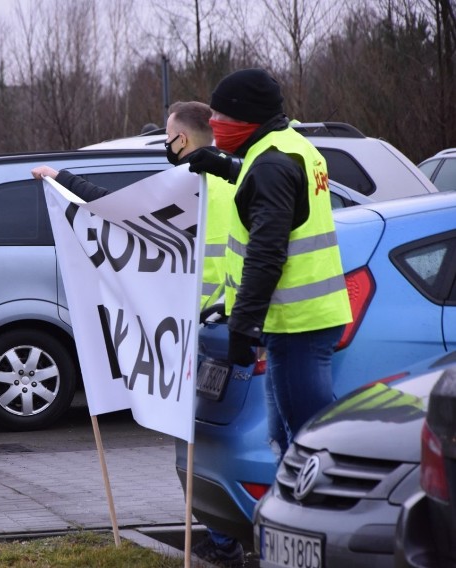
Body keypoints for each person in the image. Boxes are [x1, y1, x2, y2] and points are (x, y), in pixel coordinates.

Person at [187, 68, 353, 566]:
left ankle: (324, 543)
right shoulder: (286, 147)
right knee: (288, 439)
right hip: (303, 320)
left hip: (297, 324)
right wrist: (221, 164)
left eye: (220, 113)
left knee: (309, 444)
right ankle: (292, 541)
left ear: (247, 116)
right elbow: (268, 188)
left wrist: (243, 325)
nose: (213, 120)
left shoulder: (273, 162)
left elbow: (266, 251)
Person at [31, 100, 236, 310]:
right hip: (238, 308)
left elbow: (114, 205)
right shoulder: (236, 177)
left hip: (198, 312)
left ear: (182, 140)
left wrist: (60, 178)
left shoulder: (183, 185)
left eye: (168, 136)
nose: (167, 141)